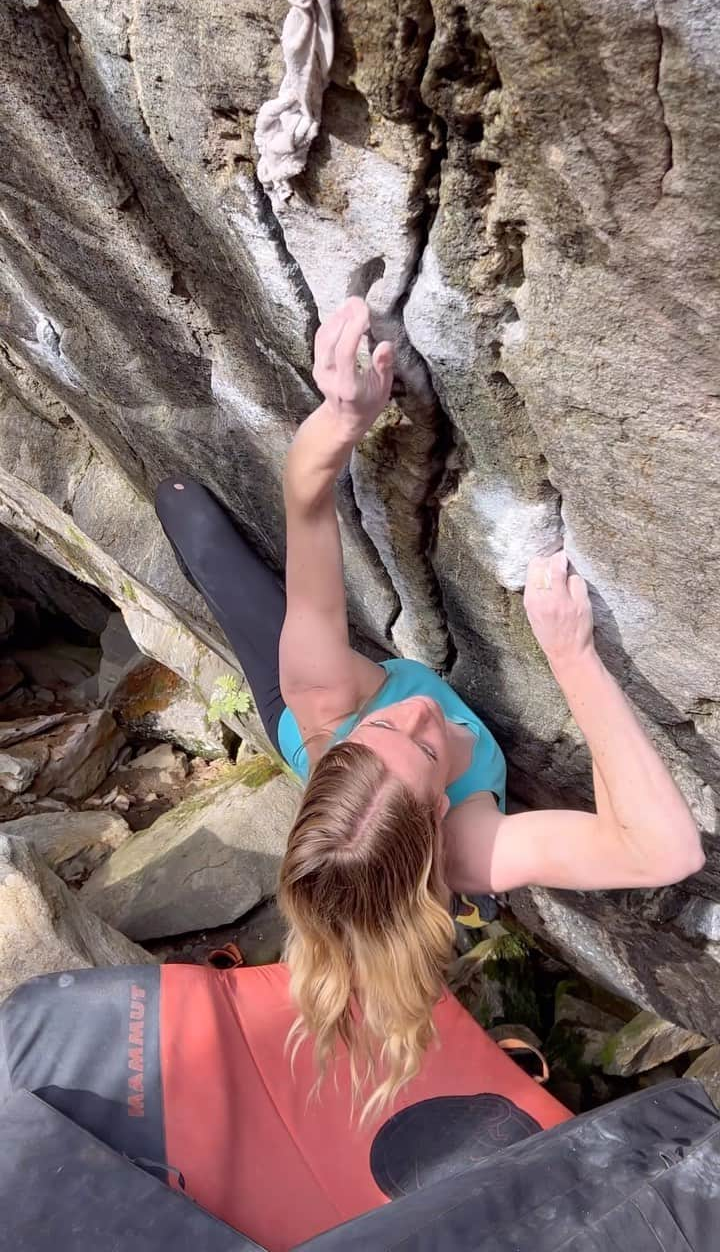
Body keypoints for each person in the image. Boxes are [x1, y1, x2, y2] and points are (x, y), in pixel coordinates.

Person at [155, 296, 703, 1122]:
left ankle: (168, 497)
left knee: (210, 545)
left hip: (296, 709)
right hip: (392, 834)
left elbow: (305, 501)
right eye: (424, 749)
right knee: (215, 557)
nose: (422, 717)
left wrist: (343, 418)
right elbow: (663, 852)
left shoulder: (327, 694)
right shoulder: (470, 850)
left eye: (393, 725)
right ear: (438, 824)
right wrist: (572, 657)